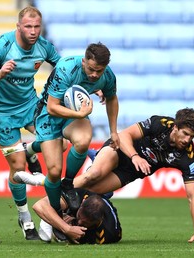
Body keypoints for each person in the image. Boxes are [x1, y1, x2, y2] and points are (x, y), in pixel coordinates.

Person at [15, 108, 194, 244]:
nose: (187, 140)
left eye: (191, 137)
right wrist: (134, 156)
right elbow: (124, 134)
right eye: (185, 133)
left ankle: (49, 207)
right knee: (92, 175)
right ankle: (40, 181)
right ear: (175, 127)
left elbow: (193, 197)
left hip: (128, 172)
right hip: (120, 151)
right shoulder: (160, 123)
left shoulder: (188, 159)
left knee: (85, 191)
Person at [0, 6, 61, 240]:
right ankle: (25, 217)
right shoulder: (2, 46)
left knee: (58, 144)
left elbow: (63, 68)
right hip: (3, 113)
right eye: (28, 26)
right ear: (18, 26)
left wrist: (92, 87)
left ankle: (31, 149)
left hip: (30, 105)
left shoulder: (44, 47)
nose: (33, 31)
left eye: (37, 26)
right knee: (18, 168)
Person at [34, 42, 120, 227]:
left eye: (100, 71)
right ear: (84, 61)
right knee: (54, 171)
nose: (95, 75)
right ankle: (56, 215)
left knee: (83, 141)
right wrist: (80, 114)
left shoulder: (108, 76)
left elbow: (112, 98)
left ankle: (69, 184)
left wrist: (113, 131)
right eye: (91, 69)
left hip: (72, 115)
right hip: (48, 115)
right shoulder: (66, 68)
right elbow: (52, 107)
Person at [32, 188, 122, 244]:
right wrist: (66, 228)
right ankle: (53, 214)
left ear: (98, 221)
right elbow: (38, 205)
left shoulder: (109, 233)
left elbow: (76, 239)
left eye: (85, 223)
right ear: (82, 203)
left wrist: (68, 233)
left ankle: (53, 216)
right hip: (91, 187)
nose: (79, 222)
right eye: (79, 216)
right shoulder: (81, 196)